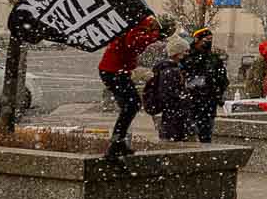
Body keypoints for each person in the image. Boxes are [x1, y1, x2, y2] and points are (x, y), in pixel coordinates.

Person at [97, 15, 172, 159]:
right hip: (113, 71)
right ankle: (116, 143)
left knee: (130, 105)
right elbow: (132, 43)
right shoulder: (139, 24)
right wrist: (154, 36)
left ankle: (118, 141)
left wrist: (153, 36)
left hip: (116, 70)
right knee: (132, 105)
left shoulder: (140, 24)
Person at [184, 27, 229, 143]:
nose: (208, 43)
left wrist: (218, 93)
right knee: (190, 137)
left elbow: (223, 79)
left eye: (210, 40)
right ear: (197, 40)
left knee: (206, 136)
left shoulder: (214, 59)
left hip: (208, 104)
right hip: (191, 103)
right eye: (206, 40)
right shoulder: (187, 57)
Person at [142, 37, 192, 141]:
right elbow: (167, 94)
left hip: (173, 116)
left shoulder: (171, 69)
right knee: (173, 141)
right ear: (178, 53)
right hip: (173, 118)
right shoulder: (170, 70)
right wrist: (183, 98)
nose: (188, 54)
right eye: (185, 51)